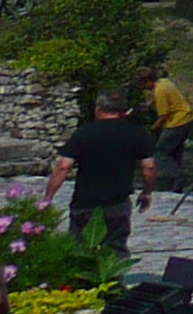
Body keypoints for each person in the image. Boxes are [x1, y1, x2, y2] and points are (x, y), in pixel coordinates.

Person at [45, 92, 156, 252]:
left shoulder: (84, 133)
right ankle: (113, 277)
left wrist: (48, 197)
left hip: (85, 202)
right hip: (117, 203)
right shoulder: (136, 133)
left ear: (98, 108)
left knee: (78, 249)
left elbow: (63, 166)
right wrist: (147, 192)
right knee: (115, 250)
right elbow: (149, 168)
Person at [133, 65, 193, 186]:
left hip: (177, 122)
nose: (143, 88)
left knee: (160, 154)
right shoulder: (164, 82)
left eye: (142, 85)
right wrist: (149, 103)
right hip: (188, 118)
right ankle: (175, 184)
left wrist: (152, 128)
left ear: (147, 81)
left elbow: (164, 116)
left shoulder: (159, 91)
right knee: (174, 152)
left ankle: (180, 176)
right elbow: (165, 97)